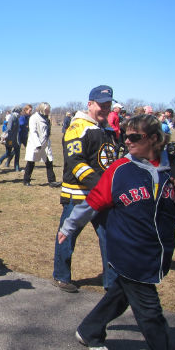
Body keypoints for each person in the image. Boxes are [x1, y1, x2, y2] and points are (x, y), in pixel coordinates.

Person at [57, 114, 175, 350]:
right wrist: (68, 226)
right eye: (125, 136)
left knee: (120, 294)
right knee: (150, 314)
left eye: (134, 137)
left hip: (158, 250)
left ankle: (89, 331)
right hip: (127, 250)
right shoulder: (119, 170)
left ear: (154, 138)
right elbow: (92, 203)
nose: (126, 141)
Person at [53, 85, 117, 293]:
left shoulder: (108, 130)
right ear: (90, 104)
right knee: (67, 236)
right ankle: (61, 276)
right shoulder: (77, 127)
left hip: (105, 196)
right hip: (78, 196)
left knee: (110, 238)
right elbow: (76, 162)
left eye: (108, 105)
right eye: (101, 105)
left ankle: (112, 283)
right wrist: (101, 186)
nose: (105, 109)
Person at [23, 102, 60, 187]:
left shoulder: (46, 118)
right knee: (31, 162)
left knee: (49, 162)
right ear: (42, 109)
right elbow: (33, 131)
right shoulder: (34, 118)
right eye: (46, 110)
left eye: (48, 110)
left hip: (45, 144)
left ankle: (52, 181)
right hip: (36, 144)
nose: (48, 111)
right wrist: (37, 144)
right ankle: (26, 180)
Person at [0, 106, 21, 172]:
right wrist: (5, 137)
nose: (20, 113)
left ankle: (17, 167)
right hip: (10, 140)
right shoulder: (12, 118)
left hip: (16, 139)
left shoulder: (17, 118)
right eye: (19, 112)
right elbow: (9, 128)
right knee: (8, 153)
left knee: (17, 152)